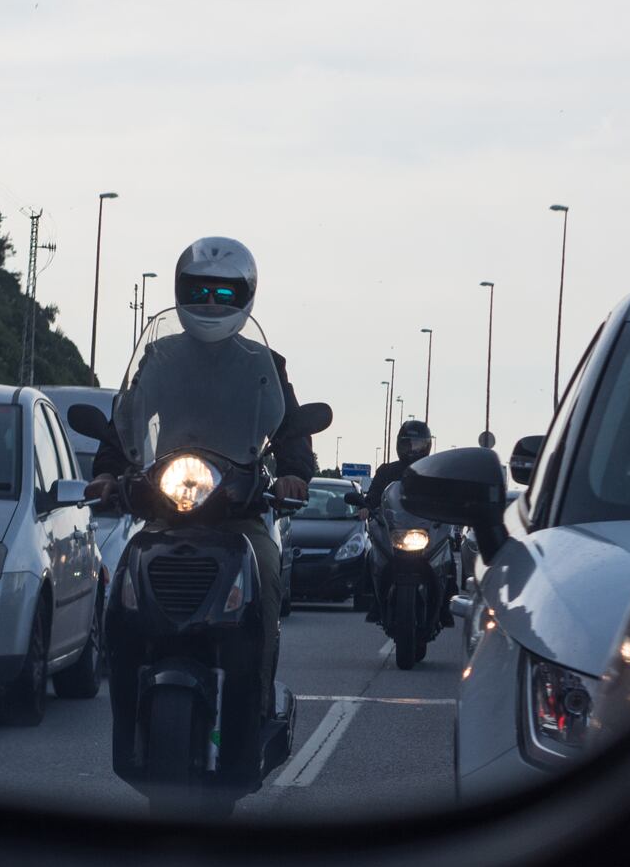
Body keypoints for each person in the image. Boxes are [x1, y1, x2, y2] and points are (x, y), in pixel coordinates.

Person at [86, 236, 313, 721]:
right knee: (126, 573)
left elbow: (289, 426)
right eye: (201, 290)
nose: (212, 302)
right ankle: (125, 692)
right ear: (180, 291)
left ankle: (259, 696)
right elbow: (126, 417)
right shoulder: (161, 356)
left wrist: (293, 474)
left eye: (226, 293)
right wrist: (108, 471)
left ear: (246, 296)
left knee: (268, 572)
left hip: (238, 507)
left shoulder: (264, 364)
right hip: (165, 504)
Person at [361, 418, 434, 620]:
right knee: (374, 556)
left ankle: (445, 602)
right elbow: (374, 496)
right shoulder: (387, 471)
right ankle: (376, 600)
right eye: (407, 444)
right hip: (395, 530)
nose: (411, 449)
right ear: (398, 445)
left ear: (427, 446)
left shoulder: (433, 470)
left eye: (417, 444)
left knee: (443, 560)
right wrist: (366, 508)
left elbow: (444, 496)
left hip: (425, 529)